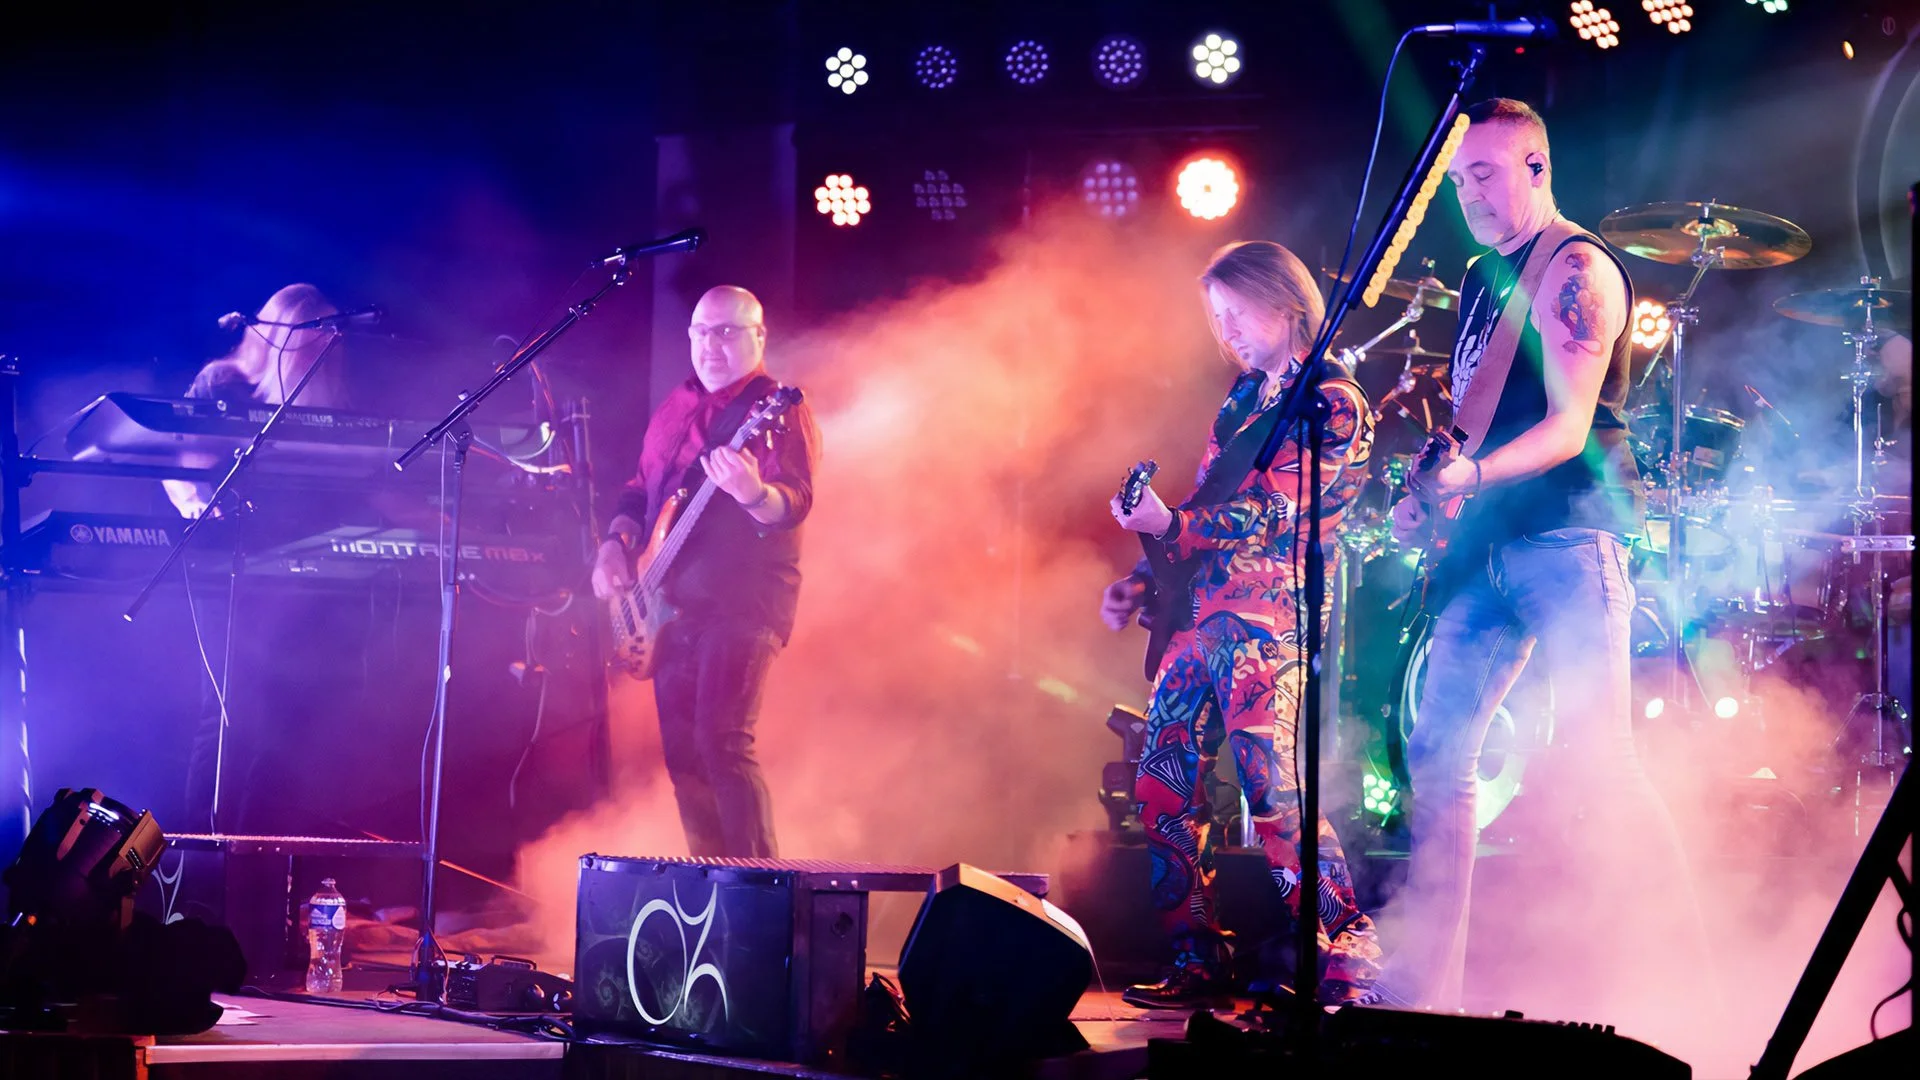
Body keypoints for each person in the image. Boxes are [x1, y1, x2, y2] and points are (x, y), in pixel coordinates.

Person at [1377, 99, 1705, 1013]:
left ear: (1535, 164)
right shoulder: (1484, 277)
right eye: (1456, 181)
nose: (1469, 195)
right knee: (1437, 754)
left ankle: (1690, 967)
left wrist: (1471, 475)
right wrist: (1427, 497)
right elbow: (1471, 422)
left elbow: (1566, 427)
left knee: (1603, 759)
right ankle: (1420, 993)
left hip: (1568, 533)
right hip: (1482, 546)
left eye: (1484, 174)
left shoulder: (1578, 267)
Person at [1102, 241, 1382, 1008]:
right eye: (1216, 319)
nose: (1226, 332)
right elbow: (1205, 502)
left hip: (1269, 620)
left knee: (1273, 793)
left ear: (1284, 303)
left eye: (1236, 314)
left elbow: (1281, 511)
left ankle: (1340, 945)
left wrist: (1177, 524)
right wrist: (1141, 576)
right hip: (1199, 619)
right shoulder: (1242, 399)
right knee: (1161, 783)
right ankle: (1196, 955)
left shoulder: (1333, 400)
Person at [590, 285, 818, 858]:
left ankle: (761, 903)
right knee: (685, 760)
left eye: (727, 332)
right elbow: (640, 491)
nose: (710, 345)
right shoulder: (675, 405)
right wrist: (615, 544)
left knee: (723, 745)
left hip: (743, 604)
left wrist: (753, 492)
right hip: (672, 607)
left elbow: (794, 501)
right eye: (700, 332)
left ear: (759, 338)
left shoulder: (776, 410)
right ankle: (710, 896)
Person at [164, 282, 353, 519]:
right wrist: (198, 505)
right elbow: (184, 461)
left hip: (307, 522)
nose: (327, 342)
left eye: (331, 334)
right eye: (318, 333)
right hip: (234, 523)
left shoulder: (335, 393)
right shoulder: (223, 383)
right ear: (284, 336)